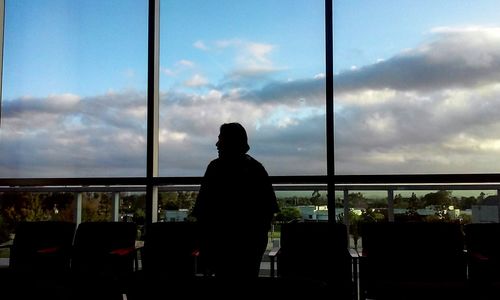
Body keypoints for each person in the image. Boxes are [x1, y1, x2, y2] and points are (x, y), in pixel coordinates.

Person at [192, 122, 279, 279]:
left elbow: (203, 211)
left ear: (231, 142)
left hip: (220, 244)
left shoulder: (215, 168)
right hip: (249, 246)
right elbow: (267, 212)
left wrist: (206, 244)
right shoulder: (256, 169)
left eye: (221, 140)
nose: (217, 144)